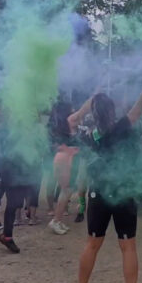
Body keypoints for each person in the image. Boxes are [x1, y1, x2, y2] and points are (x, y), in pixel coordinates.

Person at [73, 61, 142, 283]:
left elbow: (71, 121)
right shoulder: (122, 126)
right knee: (128, 246)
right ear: (113, 110)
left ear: (93, 112)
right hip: (123, 191)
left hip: (98, 192)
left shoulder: (88, 133)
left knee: (92, 244)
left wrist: (89, 101)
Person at [49, 95, 96, 235]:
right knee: (66, 190)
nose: (74, 109)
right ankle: (56, 221)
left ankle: (58, 220)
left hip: (66, 157)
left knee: (66, 190)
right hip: (66, 158)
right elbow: (84, 109)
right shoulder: (70, 120)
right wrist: (95, 94)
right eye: (71, 108)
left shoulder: (61, 123)